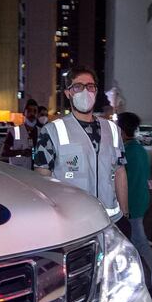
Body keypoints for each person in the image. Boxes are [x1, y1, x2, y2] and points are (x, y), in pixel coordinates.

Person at [34, 66, 129, 228]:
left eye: (90, 86)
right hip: (73, 223)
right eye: (78, 87)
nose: (85, 92)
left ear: (96, 91)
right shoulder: (51, 131)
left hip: (111, 222)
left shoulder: (112, 130)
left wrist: (125, 213)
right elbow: (42, 180)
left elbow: (120, 172)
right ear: (68, 93)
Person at [116, 111, 152, 270]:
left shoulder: (125, 152)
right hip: (141, 201)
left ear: (122, 130)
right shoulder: (140, 150)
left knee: (139, 242)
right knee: (135, 242)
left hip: (130, 204)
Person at [2, 99, 39, 170]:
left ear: (37, 114)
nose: (32, 114)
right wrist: (21, 152)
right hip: (18, 172)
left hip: (36, 173)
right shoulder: (14, 131)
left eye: (35, 111)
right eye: (29, 110)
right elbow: (3, 152)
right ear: (24, 113)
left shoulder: (41, 132)